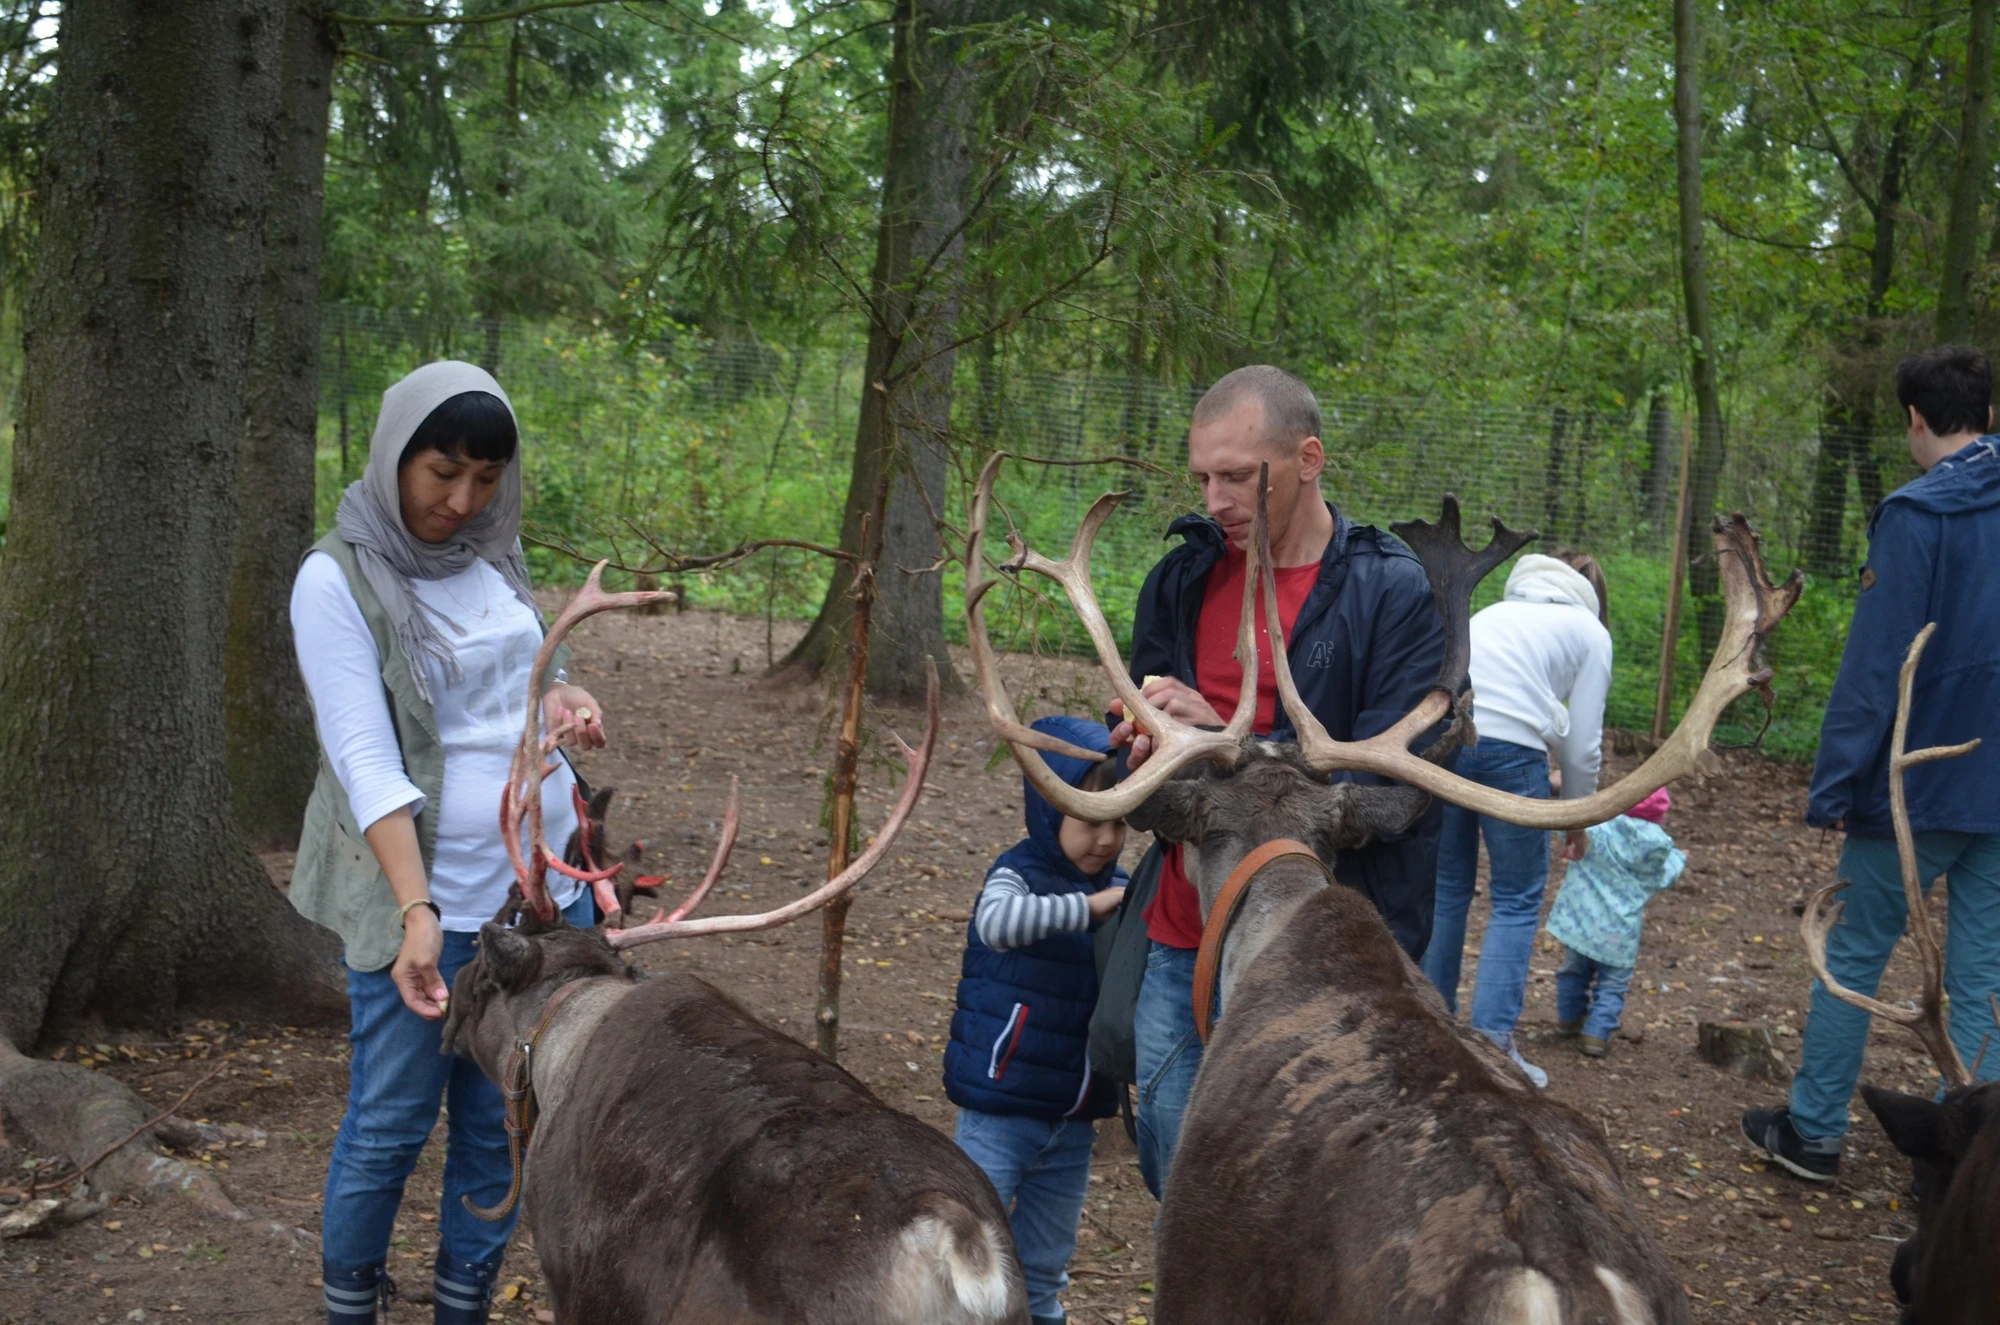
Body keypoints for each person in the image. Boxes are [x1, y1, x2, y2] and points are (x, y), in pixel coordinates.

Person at [290, 362, 608, 1324]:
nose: (461, 500)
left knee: (502, 1121)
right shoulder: (334, 578)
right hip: (428, 912)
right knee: (388, 1125)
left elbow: (512, 687)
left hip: (540, 905)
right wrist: (415, 911)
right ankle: (351, 1306)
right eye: (441, 472)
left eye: (485, 478)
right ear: (394, 455)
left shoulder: (489, 553)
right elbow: (364, 760)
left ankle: (462, 1304)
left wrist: (560, 702)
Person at [1107, 364, 1447, 1198]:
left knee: (1310, 1198)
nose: (1215, 498)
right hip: (1182, 935)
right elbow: (1148, 773)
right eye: (1202, 477)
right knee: (1177, 1176)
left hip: (1320, 955)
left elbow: (1402, 784)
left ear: (1308, 458)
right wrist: (1143, 742)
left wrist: (1232, 739)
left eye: (1236, 475)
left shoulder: (1389, 592)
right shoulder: (1181, 580)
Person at [1743, 345, 2000, 1182]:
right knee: (1984, 970)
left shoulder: (1918, 515)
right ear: (1988, 415)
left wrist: (1836, 782)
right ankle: (1969, 1159)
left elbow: (1876, 665)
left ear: (1916, 420)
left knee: (1852, 952)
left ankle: (1813, 1132)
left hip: (1914, 787)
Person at [944, 715, 1128, 1325]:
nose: (1105, 839)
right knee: (971, 1260)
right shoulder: (1018, 873)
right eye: (1089, 819)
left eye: (1119, 821)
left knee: (1044, 1268)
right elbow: (995, 925)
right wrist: (1088, 907)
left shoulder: (1123, 885)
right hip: (1002, 1105)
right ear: (1051, 811)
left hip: (1074, 1120)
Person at [1420, 549, 1612, 1088]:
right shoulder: (1590, 632)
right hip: (1513, 755)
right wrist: (1578, 819)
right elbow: (1581, 750)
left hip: (1451, 744)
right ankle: (1493, 1047)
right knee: (1517, 899)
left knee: (1448, 886)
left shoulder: (1492, 615)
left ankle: (1433, 1031)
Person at [1546, 787, 1686, 1058]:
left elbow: (1567, 831)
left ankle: (1568, 1019)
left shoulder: (1598, 828)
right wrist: (1680, 859)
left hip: (1580, 926)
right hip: (1620, 935)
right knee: (1612, 985)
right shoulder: (1657, 850)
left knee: (1572, 973)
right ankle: (1596, 1035)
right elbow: (1666, 876)